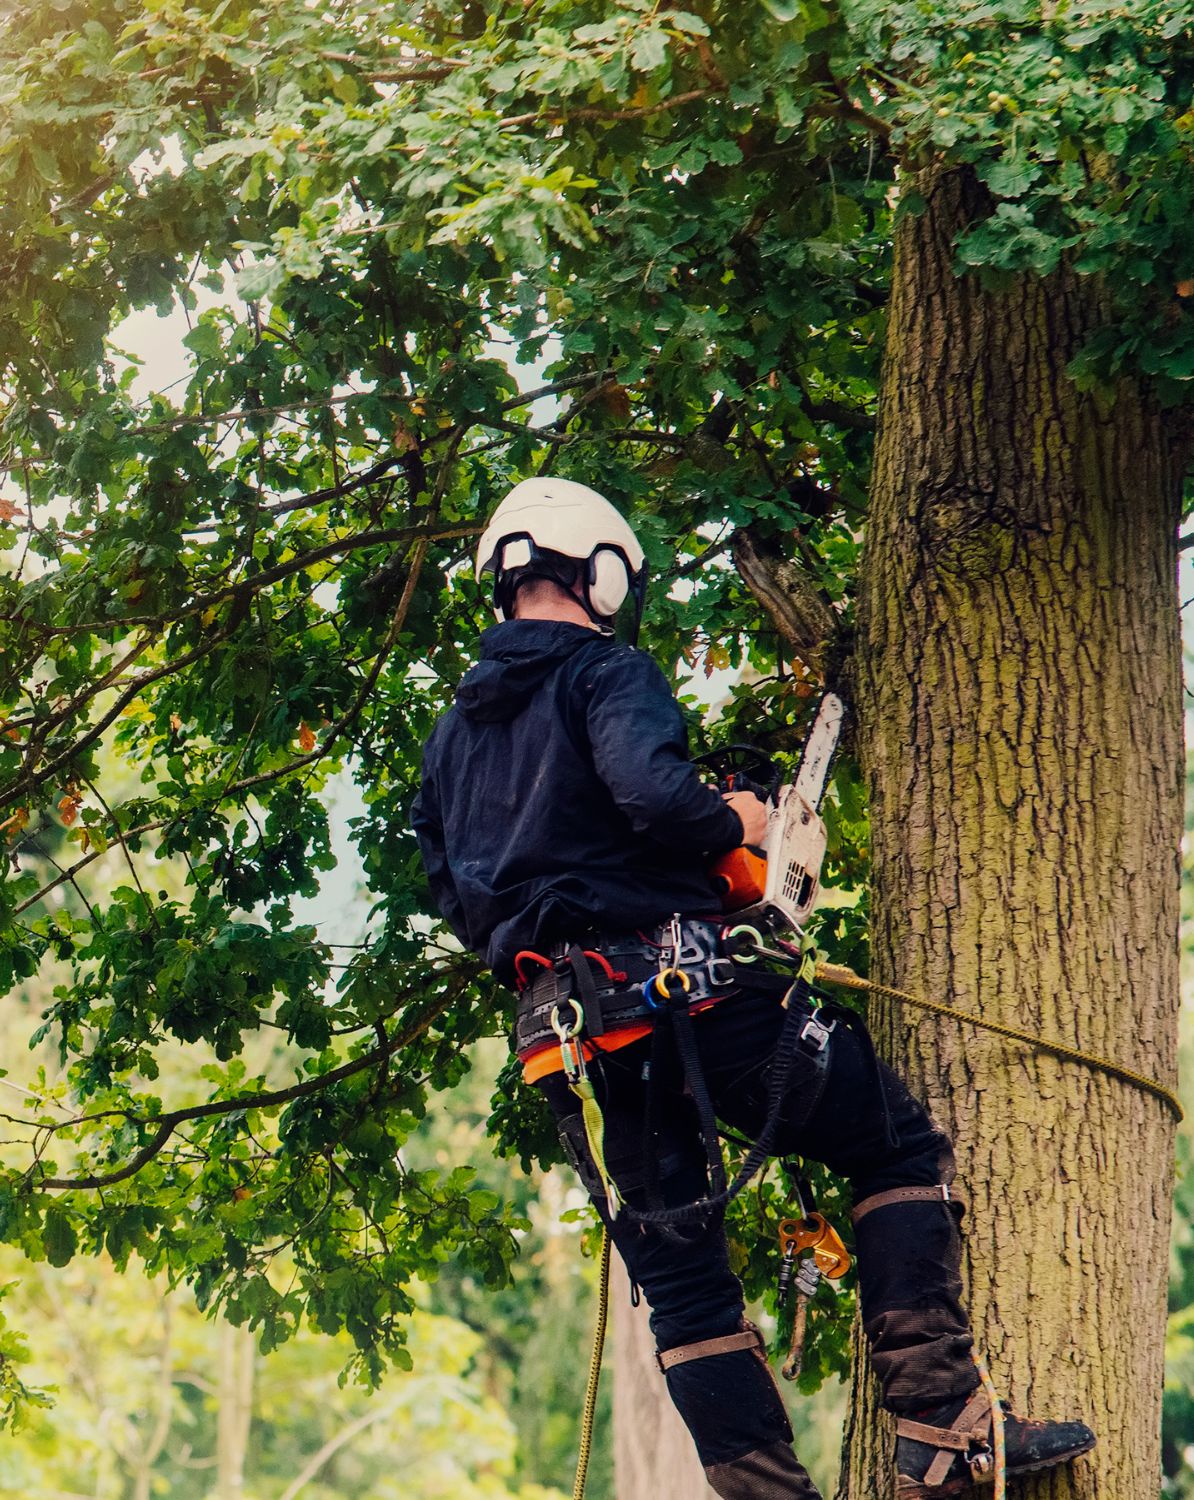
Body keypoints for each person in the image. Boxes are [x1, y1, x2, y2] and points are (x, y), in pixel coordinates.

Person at [411, 478, 1096, 1498]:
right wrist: (742, 822)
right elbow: (650, 792)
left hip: (582, 1033)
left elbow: (450, 889)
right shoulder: (606, 673)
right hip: (696, 997)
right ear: (598, 574)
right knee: (891, 1143)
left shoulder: (452, 740)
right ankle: (946, 1431)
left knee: (682, 1277)